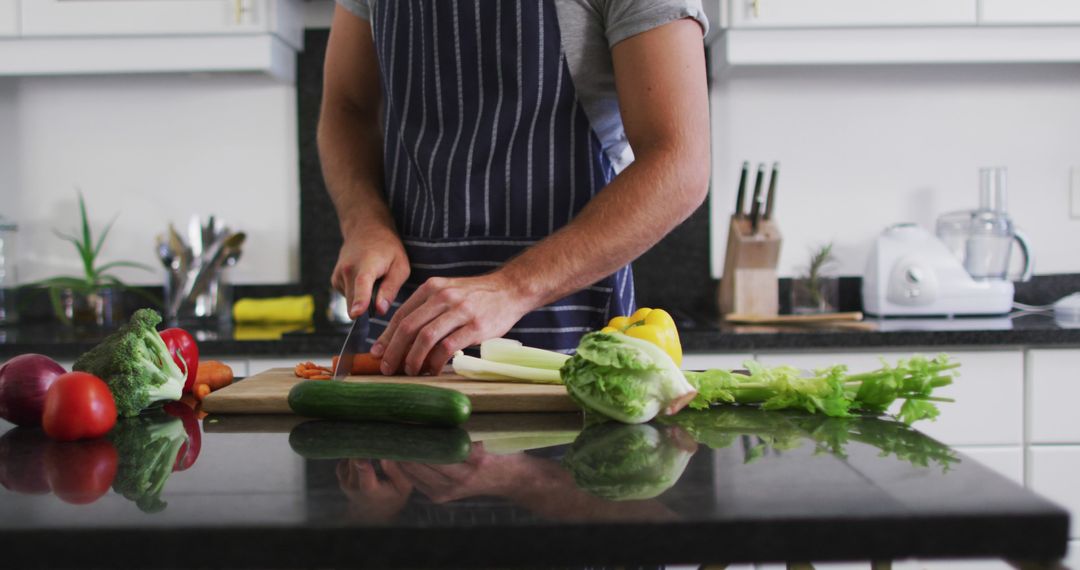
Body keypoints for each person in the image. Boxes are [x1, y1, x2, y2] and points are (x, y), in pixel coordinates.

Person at [319, 0, 711, 376]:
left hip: (571, 332)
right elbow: (346, 109)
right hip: (405, 331)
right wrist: (364, 221)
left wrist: (511, 289)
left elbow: (680, 162)